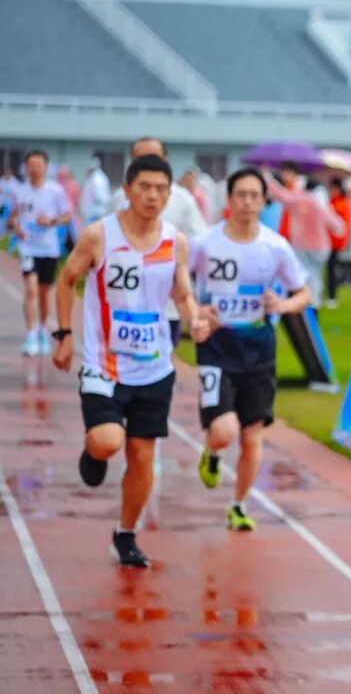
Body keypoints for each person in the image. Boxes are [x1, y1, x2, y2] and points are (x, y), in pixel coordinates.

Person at [52, 154, 209, 567]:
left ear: (169, 194)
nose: (153, 196)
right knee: (108, 442)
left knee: (142, 455)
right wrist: (64, 335)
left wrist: (194, 319)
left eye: (161, 189)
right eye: (145, 187)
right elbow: (67, 279)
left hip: (155, 367)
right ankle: (94, 452)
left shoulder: (175, 242)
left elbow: (182, 292)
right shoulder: (98, 236)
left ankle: (125, 534)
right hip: (103, 365)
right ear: (127, 190)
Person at [190, 168, 311, 531]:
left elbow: (303, 293)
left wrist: (283, 306)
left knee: (252, 433)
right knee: (224, 430)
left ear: (263, 201)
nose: (247, 202)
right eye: (240, 195)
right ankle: (213, 452)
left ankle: (239, 505)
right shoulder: (205, 244)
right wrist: (197, 312)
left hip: (259, 348)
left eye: (254, 195)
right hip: (217, 347)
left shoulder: (275, 247)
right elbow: (179, 285)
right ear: (229, 200)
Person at [110, 138, 208, 345]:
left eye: (154, 158)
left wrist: (175, 270)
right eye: (140, 158)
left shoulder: (182, 200)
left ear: (166, 161)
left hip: (166, 307)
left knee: (160, 359)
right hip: (122, 304)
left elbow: (200, 244)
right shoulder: (119, 198)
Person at [8, 151, 72, 357]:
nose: (35, 169)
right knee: (31, 290)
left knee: (44, 294)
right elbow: (13, 216)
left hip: (49, 248)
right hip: (28, 247)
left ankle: (43, 329)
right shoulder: (20, 191)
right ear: (26, 167)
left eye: (39, 165)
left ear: (45, 167)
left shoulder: (55, 190)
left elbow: (68, 215)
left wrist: (52, 221)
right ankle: (30, 335)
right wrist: (14, 225)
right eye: (31, 165)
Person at [265, 162, 343, 308]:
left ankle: (310, 303)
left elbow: (283, 196)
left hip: (304, 245)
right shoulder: (319, 203)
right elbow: (337, 225)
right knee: (315, 275)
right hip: (320, 246)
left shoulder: (303, 200)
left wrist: (268, 178)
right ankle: (313, 302)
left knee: (306, 276)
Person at [325, 177, 351, 308]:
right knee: (329, 268)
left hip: (336, 242)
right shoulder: (331, 201)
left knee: (332, 268)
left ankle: (333, 296)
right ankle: (329, 294)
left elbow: (345, 225)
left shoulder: (343, 203)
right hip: (327, 241)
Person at [79, 157, 112, 227]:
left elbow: (102, 197)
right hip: (93, 213)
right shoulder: (94, 178)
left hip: (96, 213)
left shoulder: (97, 180)